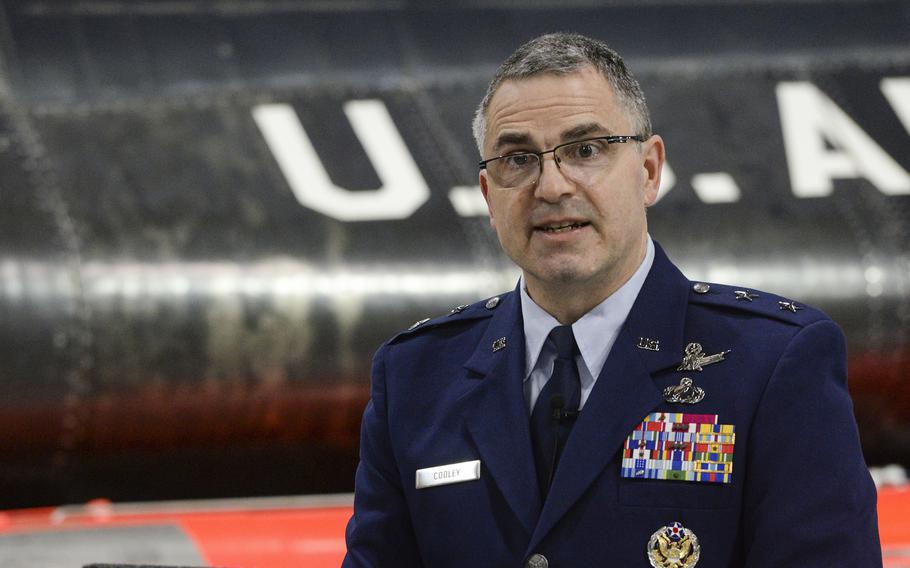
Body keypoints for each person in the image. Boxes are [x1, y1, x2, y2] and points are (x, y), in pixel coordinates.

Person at [343, 32, 881, 567]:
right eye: (517, 158)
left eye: (586, 150)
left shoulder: (771, 365)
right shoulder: (415, 378)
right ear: (489, 195)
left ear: (649, 171)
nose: (551, 186)